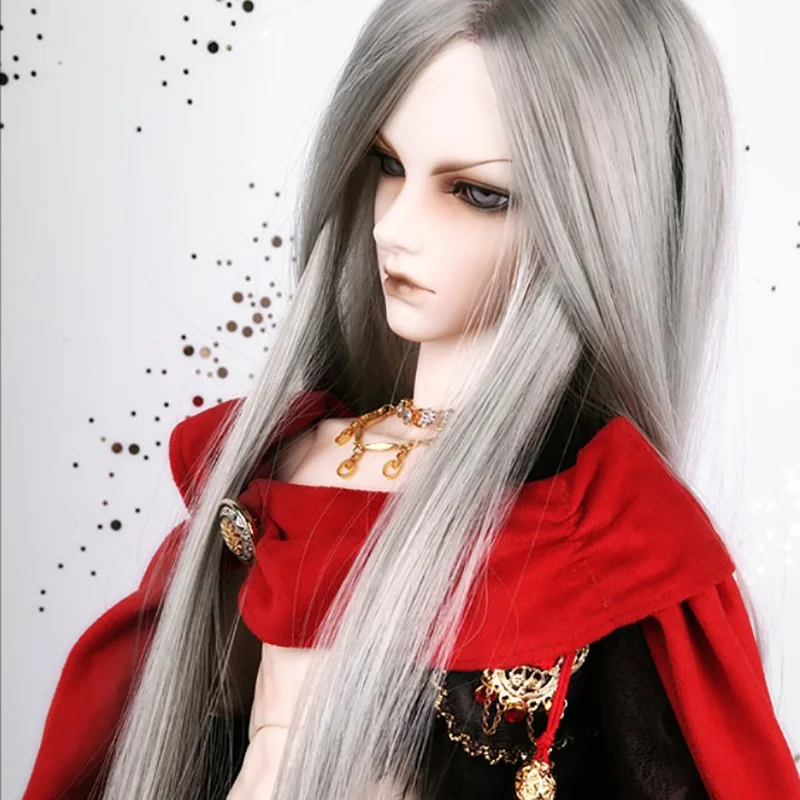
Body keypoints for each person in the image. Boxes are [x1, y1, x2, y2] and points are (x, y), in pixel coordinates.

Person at [23, 0, 800, 798]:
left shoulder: (605, 531)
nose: (394, 227)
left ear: (603, 220)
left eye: (477, 193)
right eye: (388, 165)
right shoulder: (280, 471)